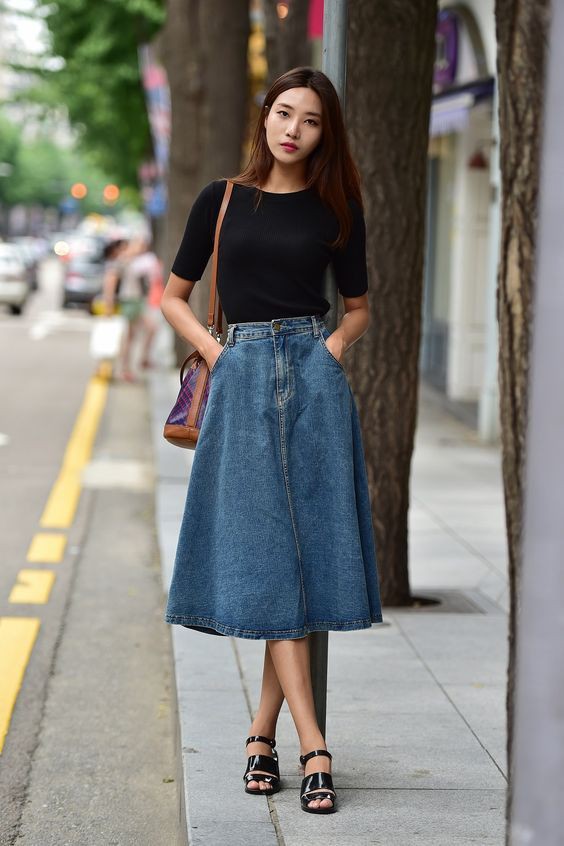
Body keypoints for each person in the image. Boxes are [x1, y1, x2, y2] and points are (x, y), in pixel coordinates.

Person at [161, 66, 384, 816]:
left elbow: (356, 310)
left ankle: (261, 734)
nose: (293, 128)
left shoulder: (337, 206)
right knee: (266, 557)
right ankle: (314, 745)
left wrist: (332, 352)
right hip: (243, 373)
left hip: (315, 382)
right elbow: (173, 295)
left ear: (327, 132)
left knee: (299, 560)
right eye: (283, 113)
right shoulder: (221, 200)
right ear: (265, 117)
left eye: (311, 119)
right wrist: (220, 354)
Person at [105, 237, 160, 381]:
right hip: (129, 301)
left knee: (140, 332)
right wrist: (109, 305)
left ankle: (135, 363)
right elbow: (110, 282)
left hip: (136, 301)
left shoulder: (135, 261)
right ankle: (126, 368)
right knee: (131, 336)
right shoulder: (122, 261)